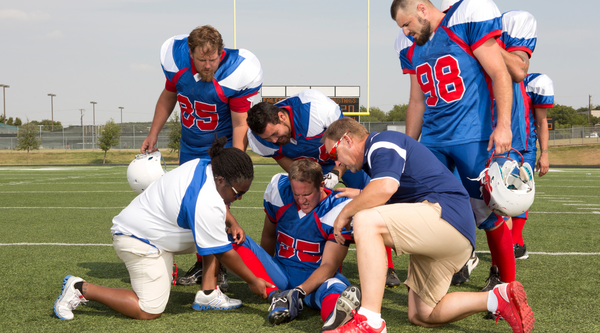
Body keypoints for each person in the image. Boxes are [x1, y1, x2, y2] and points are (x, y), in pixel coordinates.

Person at [321, 118, 534, 333]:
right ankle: (497, 299)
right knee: (423, 314)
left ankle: (371, 321)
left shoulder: (381, 141)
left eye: (333, 155)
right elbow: (396, 191)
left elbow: (385, 187)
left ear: (347, 139)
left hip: (447, 216)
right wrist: (359, 195)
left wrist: (346, 213)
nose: (336, 164)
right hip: (451, 232)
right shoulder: (376, 155)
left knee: (365, 220)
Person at [54, 138, 273, 320]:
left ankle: (208, 293)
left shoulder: (207, 166)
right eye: (237, 192)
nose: (239, 197)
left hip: (157, 227)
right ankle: (80, 288)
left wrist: (231, 221)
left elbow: (213, 206)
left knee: (217, 233)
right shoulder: (205, 200)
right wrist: (253, 281)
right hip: (137, 239)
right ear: (221, 179)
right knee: (149, 310)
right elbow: (223, 250)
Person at [393, 0, 513, 287]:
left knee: (484, 210)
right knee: (431, 209)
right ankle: (440, 275)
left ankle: (505, 282)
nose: (406, 32)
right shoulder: (411, 45)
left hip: (471, 136)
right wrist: (408, 146)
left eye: (407, 24)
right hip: (434, 139)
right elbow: (416, 100)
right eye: (402, 28)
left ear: (422, 9)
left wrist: (504, 125)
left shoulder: (462, 22)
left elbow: (500, 72)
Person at [140, 25, 263, 286]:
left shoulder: (236, 71)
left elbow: (240, 123)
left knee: (217, 206)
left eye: (213, 59)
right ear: (190, 53)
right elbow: (168, 96)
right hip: (190, 146)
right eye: (202, 59)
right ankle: (202, 264)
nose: (208, 65)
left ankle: (218, 268)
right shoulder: (176, 61)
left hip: (220, 147)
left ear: (222, 52)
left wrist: (233, 160)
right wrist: (153, 133)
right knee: (190, 205)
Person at [246, 89, 401, 287]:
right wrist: (307, 178)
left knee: (371, 201)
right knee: (308, 205)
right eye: (269, 139)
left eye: (275, 134)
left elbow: (349, 142)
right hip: (310, 166)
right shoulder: (259, 138)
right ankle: (315, 259)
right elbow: (286, 161)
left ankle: (387, 265)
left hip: (340, 159)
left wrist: (336, 174)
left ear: (282, 116)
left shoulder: (315, 109)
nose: (274, 141)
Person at [229, 159, 361, 331]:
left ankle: (337, 325)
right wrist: (263, 274)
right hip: (280, 273)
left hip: (315, 281)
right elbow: (268, 236)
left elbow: (329, 265)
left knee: (336, 289)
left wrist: (298, 292)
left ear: (321, 185)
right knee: (230, 237)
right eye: (296, 194)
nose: (301, 200)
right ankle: (276, 296)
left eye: (306, 194)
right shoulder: (279, 190)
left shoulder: (338, 208)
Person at [509, 72, 554, 259]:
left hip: (526, 148)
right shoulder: (489, 78)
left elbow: (542, 121)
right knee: (497, 196)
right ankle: (513, 243)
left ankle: (514, 243)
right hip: (498, 147)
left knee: (521, 194)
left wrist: (544, 153)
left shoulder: (533, 83)